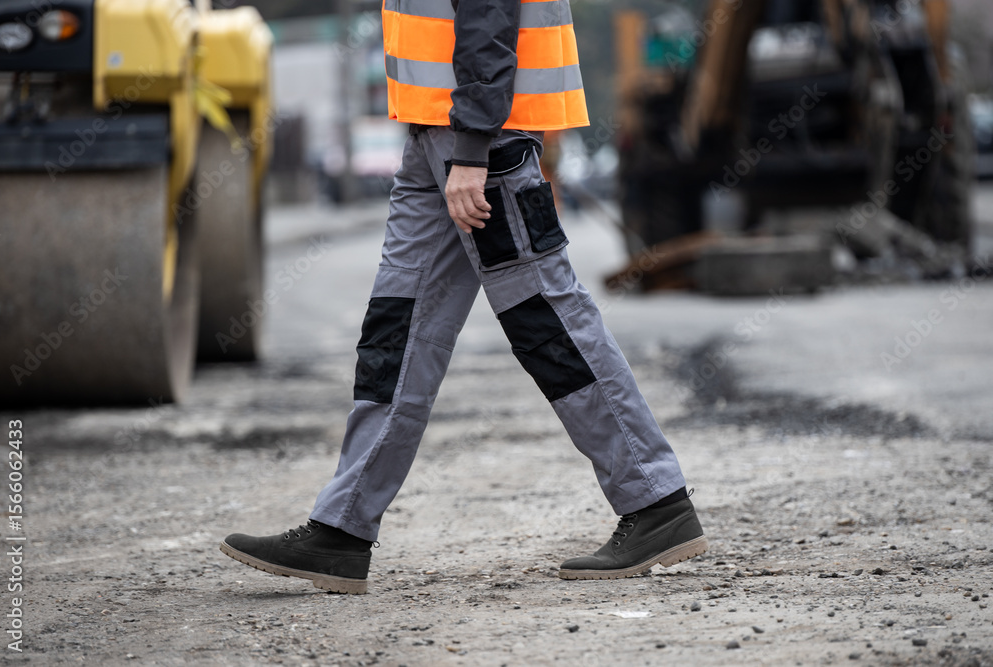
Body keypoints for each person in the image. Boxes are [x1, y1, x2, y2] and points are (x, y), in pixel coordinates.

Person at [220, 0, 708, 595]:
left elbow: (488, 16)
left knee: (548, 321)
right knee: (396, 332)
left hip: (481, 141)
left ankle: (657, 503)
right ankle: (341, 529)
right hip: (435, 136)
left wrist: (474, 147)